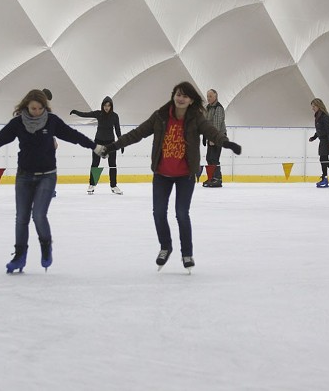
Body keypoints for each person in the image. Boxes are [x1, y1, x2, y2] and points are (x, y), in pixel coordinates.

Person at [100, 81, 242, 272]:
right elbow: (138, 133)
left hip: (185, 175)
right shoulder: (160, 115)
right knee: (158, 213)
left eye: (185, 95)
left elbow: (212, 132)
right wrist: (112, 147)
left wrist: (227, 143)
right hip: (162, 174)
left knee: (182, 214)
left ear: (191, 100)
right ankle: (165, 246)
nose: (180, 98)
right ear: (173, 95)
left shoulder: (196, 118)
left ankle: (187, 253)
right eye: (178, 94)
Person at [0, 89, 104, 273]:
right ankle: (19, 257)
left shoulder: (52, 121)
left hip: (47, 175)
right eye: (33, 108)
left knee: (39, 215)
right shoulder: (18, 123)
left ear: (44, 107)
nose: (36, 111)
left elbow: (73, 135)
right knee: (21, 218)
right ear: (26, 106)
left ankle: (45, 246)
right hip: (24, 175)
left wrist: (95, 147)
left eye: (39, 108)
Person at [70, 97, 123, 195]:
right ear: (102, 105)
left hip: (111, 144)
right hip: (98, 143)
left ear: (111, 106)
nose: (107, 107)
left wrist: (121, 143)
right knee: (95, 164)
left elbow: (118, 130)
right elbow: (86, 114)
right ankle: (92, 184)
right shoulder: (98, 114)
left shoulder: (115, 116)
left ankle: (114, 185)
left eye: (108, 105)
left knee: (112, 165)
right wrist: (76, 112)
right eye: (105, 105)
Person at [308, 98, 329, 188]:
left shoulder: (324, 116)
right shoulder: (318, 116)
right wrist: (314, 137)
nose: (312, 108)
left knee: (323, 159)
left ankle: (327, 178)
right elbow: (320, 130)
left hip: (327, 141)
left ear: (319, 106)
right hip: (323, 140)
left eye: (314, 106)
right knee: (324, 159)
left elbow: (328, 130)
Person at [202, 89, 227, 187]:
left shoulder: (218, 108)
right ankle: (211, 177)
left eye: (210, 96)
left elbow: (216, 124)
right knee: (209, 157)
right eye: (207, 96)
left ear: (215, 96)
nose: (208, 98)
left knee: (214, 158)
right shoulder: (208, 108)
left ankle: (217, 179)